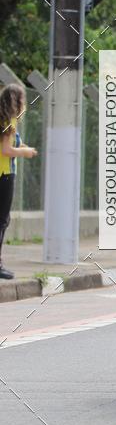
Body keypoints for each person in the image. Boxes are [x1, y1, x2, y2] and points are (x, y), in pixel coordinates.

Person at [0, 84, 37, 279]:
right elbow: (6, 150)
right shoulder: (9, 121)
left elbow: (8, 144)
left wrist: (24, 147)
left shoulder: (3, 120)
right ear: (18, 101)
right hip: (4, 174)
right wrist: (25, 152)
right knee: (2, 220)